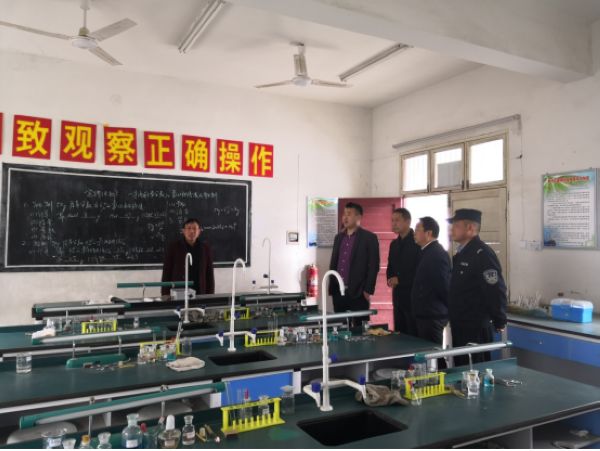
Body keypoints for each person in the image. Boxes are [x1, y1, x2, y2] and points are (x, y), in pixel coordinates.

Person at [448, 209, 507, 366]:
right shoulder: (462, 253)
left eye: (456, 226)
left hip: (475, 325)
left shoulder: (482, 253)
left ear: (470, 228)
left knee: (475, 368)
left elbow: (495, 288)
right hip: (460, 322)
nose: (452, 229)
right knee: (461, 367)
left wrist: (499, 319)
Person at [329, 202, 380, 326]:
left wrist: (368, 290)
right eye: (344, 214)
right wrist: (332, 287)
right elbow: (334, 262)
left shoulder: (369, 238)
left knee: (360, 327)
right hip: (339, 291)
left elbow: (374, 266)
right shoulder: (338, 237)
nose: (345, 217)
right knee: (340, 327)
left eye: (349, 214)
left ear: (358, 217)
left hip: (359, 292)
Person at [412, 216, 451, 366]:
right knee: (427, 355)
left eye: (417, 229)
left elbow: (443, 286)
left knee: (434, 355)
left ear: (428, 233)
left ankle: (443, 377)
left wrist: (445, 310)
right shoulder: (425, 251)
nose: (414, 232)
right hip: (425, 313)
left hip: (433, 314)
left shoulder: (436, 254)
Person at [386, 208, 420, 335]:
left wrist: (400, 280)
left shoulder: (417, 242)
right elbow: (390, 266)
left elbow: (419, 270)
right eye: (392, 220)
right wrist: (390, 278)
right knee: (399, 333)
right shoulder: (394, 244)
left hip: (413, 296)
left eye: (397, 220)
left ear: (408, 222)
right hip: (398, 296)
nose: (394, 223)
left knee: (413, 333)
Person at [161, 218, 215, 297]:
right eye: (189, 228)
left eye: (194, 228)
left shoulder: (205, 248)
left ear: (199, 231)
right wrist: (165, 294)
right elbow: (166, 272)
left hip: (200, 292)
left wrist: (210, 295)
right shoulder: (174, 247)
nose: (192, 231)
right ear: (183, 231)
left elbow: (209, 273)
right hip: (179, 291)